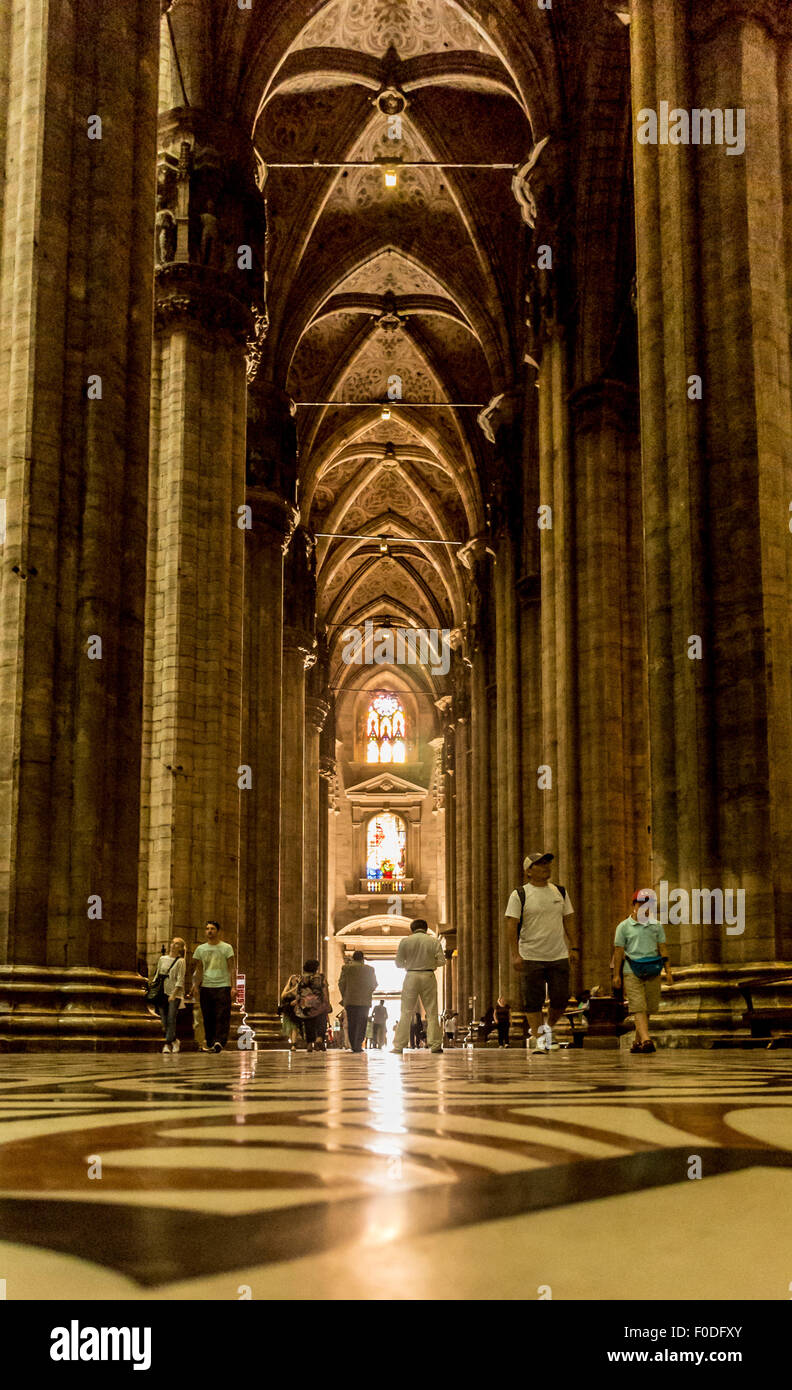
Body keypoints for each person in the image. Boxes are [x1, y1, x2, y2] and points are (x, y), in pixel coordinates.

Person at [504, 851, 580, 1052]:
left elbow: (569, 919)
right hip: (531, 954)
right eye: (540, 864)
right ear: (529, 871)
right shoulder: (519, 894)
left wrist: (574, 946)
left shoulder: (560, 892)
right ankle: (539, 1039)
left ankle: (546, 1029)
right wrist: (515, 954)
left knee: (561, 999)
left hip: (558, 954)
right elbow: (512, 925)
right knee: (533, 1000)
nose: (546, 867)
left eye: (547, 863)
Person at [613, 890, 674, 1054]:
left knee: (648, 1007)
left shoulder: (656, 926)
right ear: (634, 905)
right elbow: (618, 951)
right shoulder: (623, 927)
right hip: (631, 970)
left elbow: (663, 948)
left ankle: (637, 1041)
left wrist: (668, 971)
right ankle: (647, 1040)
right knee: (638, 1005)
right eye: (640, 903)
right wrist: (616, 975)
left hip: (653, 969)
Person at [391, 919, 446, 1054]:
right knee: (432, 1012)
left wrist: (410, 964)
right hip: (428, 975)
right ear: (426, 929)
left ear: (412, 929)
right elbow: (442, 961)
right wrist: (429, 963)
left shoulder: (405, 941)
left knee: (406, 1011)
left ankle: (399, 1046)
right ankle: (435, 1045)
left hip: (411, 976)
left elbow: (398, 963)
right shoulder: (433, 941)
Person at [191, 921, 235, 1053]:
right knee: (208, 1015)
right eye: (207, 929)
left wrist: (234, 986)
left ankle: (219, 1041)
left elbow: (232, 968)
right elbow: (199, 969)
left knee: (222, 1015)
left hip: (223, 985)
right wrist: (195, 985)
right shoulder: (201, 949)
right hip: (207, 985)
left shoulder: (226, 948)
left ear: (218, 931)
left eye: (212, 929)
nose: (209, 931)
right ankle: (211, 1041)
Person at [150, 937, 187, 1053]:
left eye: (177, 944)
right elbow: (157, 975)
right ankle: (174, 1040)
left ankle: (167, 1044)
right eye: (172, 943)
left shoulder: (181, 961)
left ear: (180, 948)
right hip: (162, 992)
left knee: (171, 1019)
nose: (173, 945)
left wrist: (174, 994)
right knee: (164, 1020)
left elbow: (180, 980)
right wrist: (153, 988)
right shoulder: (162, 959)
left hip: (174, 994)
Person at [338, 950, 378, 1053]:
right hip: (364, 1001)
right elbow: (374, 984)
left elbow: (341, 983)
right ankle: (359, 1044)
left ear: (353, 958)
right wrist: (368, 992)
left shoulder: (346, 968)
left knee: (352, 1022)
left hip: (350, 1000)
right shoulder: (369, 969)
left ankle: (353, 1044)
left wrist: (345, 996)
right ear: (362, 958)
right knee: (362, 1022)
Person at [293, 958, 331, 1052]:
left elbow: (298, 992)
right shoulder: (320, 977)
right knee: (321, 1021)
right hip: (319, 1003)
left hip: (306, 1004)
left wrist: (298, 1003)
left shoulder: (301, 978)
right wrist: (327, 1002)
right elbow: (324, 990)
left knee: (308, 1023)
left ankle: (309, 1044)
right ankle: (319, 1038)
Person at [279, 972, 303, 1049]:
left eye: (296, 980)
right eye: (293, 980)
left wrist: (297, 987)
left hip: (295, 1010)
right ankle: (292, 1042)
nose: (294, 981)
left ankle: (293, 1044)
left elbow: (299, 996)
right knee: (289, 1028)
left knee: (294, 1027)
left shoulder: (298, 989)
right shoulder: (288, 988)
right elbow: (283, 995)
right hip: (287, 1009)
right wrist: (293, 988)